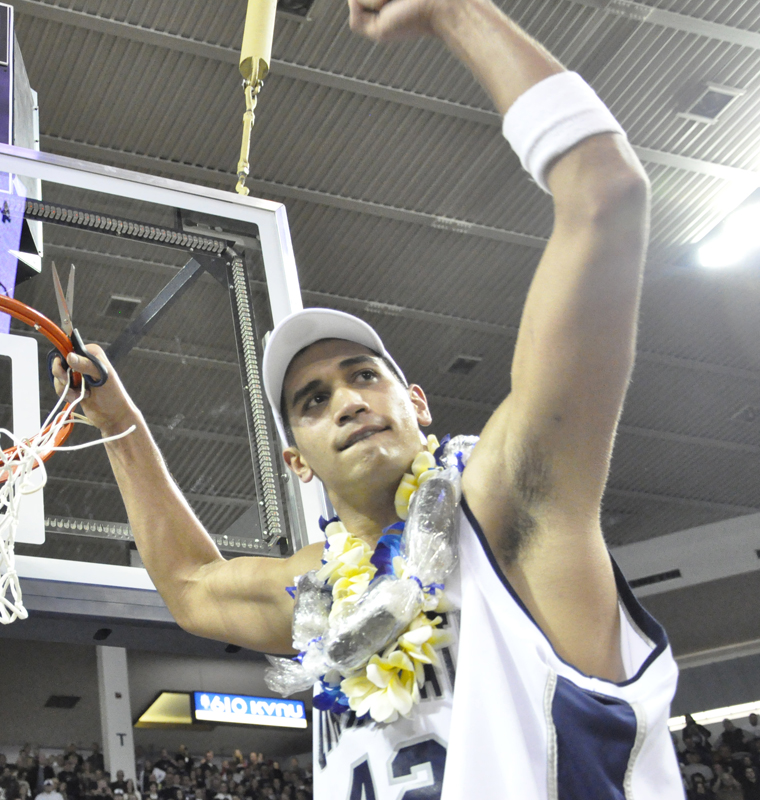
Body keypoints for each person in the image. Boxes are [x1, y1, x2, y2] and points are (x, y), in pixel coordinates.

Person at [52, 0, 682, 796]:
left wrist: (456, 13)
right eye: (313, 401)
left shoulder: (510, 510)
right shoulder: (316, 594)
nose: (346, 401)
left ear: (417, 402)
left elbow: (608, 195)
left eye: (363, 374)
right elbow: (189, 586)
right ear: (296, 461)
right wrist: (120, 423)